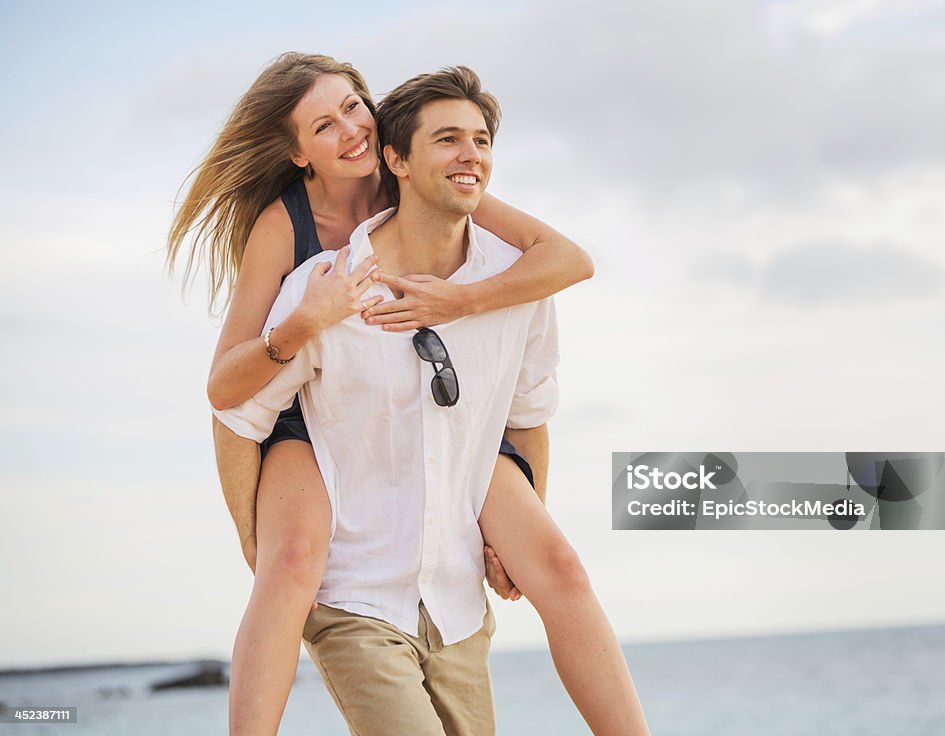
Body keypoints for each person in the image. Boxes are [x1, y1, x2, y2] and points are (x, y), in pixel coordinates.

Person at [168, 55, 647, 735]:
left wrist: (465, 300)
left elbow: (565, 260)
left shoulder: (434, 186)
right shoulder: (290, 233)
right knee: (291, 563)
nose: (351, 131)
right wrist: (251, 533)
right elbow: (227, 392)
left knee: (557, 565)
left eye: (354, 106)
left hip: (448, 414)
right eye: (324, 125)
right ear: (296, 152)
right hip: (304, 406)